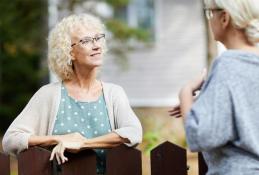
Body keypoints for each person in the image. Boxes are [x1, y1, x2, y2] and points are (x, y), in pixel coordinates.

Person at [2, 13, 142, 175]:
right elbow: (10, 139)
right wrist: (58, 139)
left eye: (98, 38)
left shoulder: (114, 93)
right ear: (69, 52)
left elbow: (133, 132)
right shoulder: (48, 94)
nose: (96, 45)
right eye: (86, 41)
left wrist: (83, 143)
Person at [169, 0, 259, 174]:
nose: (209, 19)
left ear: (224, 17)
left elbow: (200, 137)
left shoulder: (228, 64)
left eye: (209, 13)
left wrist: (186, 94)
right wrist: (204, 101)